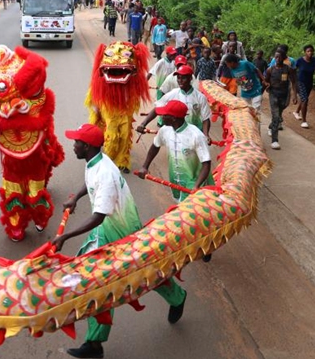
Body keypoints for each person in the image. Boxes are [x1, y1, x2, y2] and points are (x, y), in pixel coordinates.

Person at [53, 124, 186, 359]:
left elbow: (97, 217)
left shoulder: (105, 173)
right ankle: (94, 344)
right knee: (98, 285)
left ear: (88, 146)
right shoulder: (95, 161)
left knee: (146, 277)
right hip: (104, 233)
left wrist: (65, 236)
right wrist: (76, 198)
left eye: (76, 142)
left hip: (124, 236)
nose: (73, 145)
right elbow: (89, 182)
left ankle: (177, 296)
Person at [136, 100, 213, 202]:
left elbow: (206, 163)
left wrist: (196, 186)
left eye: (165, 115)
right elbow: (155, 146)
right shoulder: (164, 130)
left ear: (173, 118)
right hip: (175, 180)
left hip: (193, 181)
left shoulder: (196, 135)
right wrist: (145, 166)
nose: (161, 117)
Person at [139, 65, 212, 139]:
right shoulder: (173, 94)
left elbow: (205, 118)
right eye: (178, 78)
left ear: (190, 78)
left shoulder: (200, 97)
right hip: (177, 135)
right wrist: (143, 124)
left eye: (183, 78)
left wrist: (206, 135)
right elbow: (157, 109)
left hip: (194, 135)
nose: (180, 80)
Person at [264, 51, 298, 150]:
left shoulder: (288, 69)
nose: (277, 59)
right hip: (273, 94)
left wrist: (295, 95)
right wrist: (265, 87)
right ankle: (275, 141)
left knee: (280, 112)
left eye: (280, 57)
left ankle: (271, 126)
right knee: (276, 116)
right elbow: (266, 80)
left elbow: (294, 81)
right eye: (276, 57)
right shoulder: (270, 69)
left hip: (285, 94)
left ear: (284, 58)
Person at [224, 53, 266, 119]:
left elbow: (256, 70)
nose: (227, 66)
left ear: (232, 62)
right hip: (245, 93)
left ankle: (256, 128)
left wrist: (264, 80)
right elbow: (236, 80)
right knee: (246, 112)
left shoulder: (245, 64)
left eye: (227, 64)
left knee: (256, 111)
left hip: (256, 91)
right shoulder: (231, 70)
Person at [293, 45, 315, 128]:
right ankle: (304, 121)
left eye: (311, 51)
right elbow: (293, 70)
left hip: (309, 83)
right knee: (305, 100)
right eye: (308, 51)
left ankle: (296, 112)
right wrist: (293, 82)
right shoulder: (300, 61)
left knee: (303, 99)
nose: (310, 53)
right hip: (300, 82)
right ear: (305, 52)